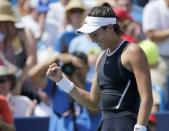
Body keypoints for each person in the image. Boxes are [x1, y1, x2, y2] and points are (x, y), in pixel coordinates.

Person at [47, 2, 153, 131]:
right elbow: (92, 102)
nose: (92, 40)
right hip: (106, 125)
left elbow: (147, 97)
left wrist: (140, 128)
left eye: (95, 34)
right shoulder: (101, 58)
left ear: (109, 28)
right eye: (90, 36)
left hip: (129, 124)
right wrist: (61, 81)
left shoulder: (133, 52)